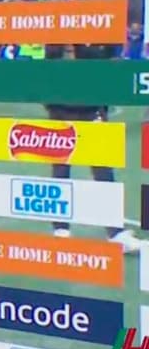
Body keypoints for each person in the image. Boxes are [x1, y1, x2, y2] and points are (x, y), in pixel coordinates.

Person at [43, 42, 146, 252]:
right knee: (61, 169)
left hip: (91, 109)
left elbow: (105, 68)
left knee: (103, 170)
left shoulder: (101, 39)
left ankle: (115, 233)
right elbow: (48, 73)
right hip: (62, 111)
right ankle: (61, 229)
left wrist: (102, 106)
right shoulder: (57, 42)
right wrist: (54, 110)